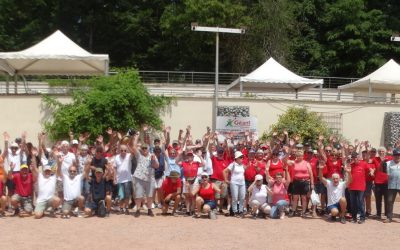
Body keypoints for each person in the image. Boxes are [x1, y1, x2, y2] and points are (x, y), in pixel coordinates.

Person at [132, 133, 159, 217]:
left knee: (150, 195)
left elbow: (156, 166)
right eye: (143, 148)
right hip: (139, 178)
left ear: (148, 148)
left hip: (150, 178)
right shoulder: (139, 155)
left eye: (145, 148)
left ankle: (149, 210)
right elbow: (133, 147)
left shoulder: (152, 156)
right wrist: (136, 138)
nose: (144, 149)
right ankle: (138, 210)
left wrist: (153, 160)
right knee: (138, 195)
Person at [57, 154, 85, 219]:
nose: (72, 172)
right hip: (68, 201)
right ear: (68, 171)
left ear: (76, 172)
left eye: (74, 171)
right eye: (71, 171)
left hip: (76, 200)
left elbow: (86, 172)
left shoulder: (79, 177)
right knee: (65, 213)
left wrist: (88, 163)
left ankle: (78, 211)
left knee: (82, 198)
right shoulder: (65, 177)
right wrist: (59, 163)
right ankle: (70, 210)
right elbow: (58, 172)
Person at [288, 150, 314, 217]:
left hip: (304, 182)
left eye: (300, 156)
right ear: (296, 156)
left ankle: (303, 211)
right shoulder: (294, 162)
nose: (299, 157)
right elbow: (285, 161)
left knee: (304, 198)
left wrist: (312, 184)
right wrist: (288, 151)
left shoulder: (307, 163)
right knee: (295, 197)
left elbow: (311, 174)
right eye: (298, 156)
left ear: (303, 156)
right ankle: (293, 211)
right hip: (296, 181)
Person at [348, 151, 370, 224]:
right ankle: (354, 218)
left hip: (361, 187)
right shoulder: (350, 165)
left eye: (356, 157)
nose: (355, 159)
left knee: (360, 202)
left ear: (358, 157)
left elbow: (369, 170)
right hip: (352, 187)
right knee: (353, 203)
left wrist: (372, 171)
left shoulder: (364, 163)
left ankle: (362, 218)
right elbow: (348, 175)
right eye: (353, 157)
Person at [223, 151, 246, 218]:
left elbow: (245, 170)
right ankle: (235, 211)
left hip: (242, 183)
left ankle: (241, 211)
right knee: (235, 197)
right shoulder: (232, 164)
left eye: (242, 157)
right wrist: (226, 180)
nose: (242, 158)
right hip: (234, 183)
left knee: (242, 197)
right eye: (240, 157)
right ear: (236, 158)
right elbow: (224, 171)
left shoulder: (242, 165)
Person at [113, 144, 133, 215]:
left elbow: (133, 153)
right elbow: (115, 168)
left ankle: (126, 208)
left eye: (125, 150)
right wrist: (115, 177)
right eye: (122, 150)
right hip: (119, 180)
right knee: (121, 196)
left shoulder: (129, 156)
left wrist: (128, 147)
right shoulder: (116, 157)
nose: (123, 152)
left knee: (127, 195)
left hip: (127, 179)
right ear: (119, 151)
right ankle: (121, 208)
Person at [382, 148, 400, 223]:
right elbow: (386, 173)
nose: (397, 156)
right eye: (396, 155)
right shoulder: (388, 163)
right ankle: (389, 217)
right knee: (389, 201)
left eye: (399, 155)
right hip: (391, 185)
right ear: (393, 156)